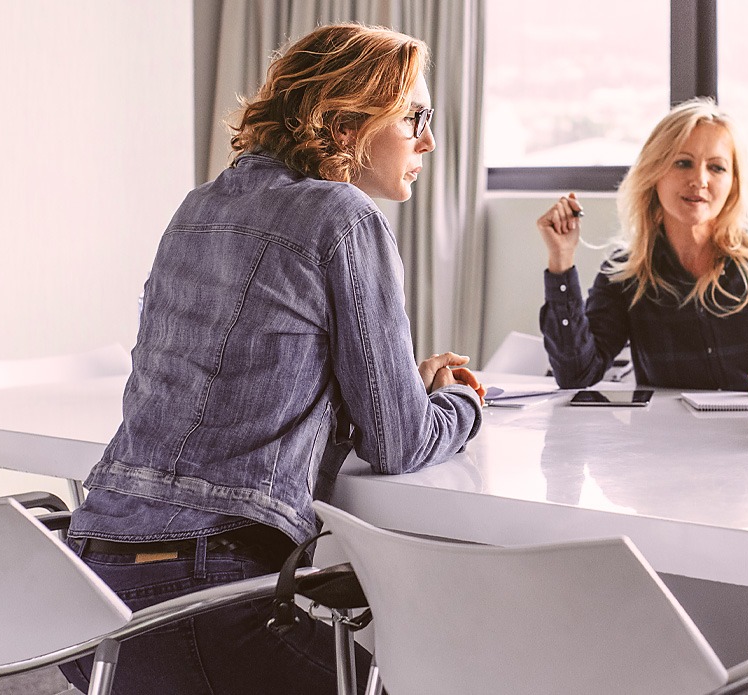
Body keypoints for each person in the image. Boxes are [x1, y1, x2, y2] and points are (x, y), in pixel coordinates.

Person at [59, 24, 482, 695]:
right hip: (200, 592)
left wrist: (404, 382)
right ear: (346, 125)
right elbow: (400, 442)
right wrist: (461, 402)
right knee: (410, 681)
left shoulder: (198, 207)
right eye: (414, 117)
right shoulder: (343, 216)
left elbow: (245, 386)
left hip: (85, 592)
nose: (428, 140)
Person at [535, 98, 748, 394]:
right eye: (683, 163)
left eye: (717, 167)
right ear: (655, 173)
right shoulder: (625, 274)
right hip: (666, 440)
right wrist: (561, 258)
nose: (699, 179)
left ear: (734, 182)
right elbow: (577, 374)